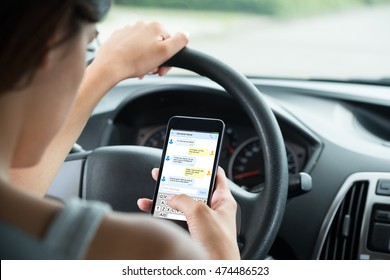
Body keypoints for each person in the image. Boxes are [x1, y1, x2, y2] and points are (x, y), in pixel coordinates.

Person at [0, 0, 240, 259]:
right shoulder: (156, 251)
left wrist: (107, 68)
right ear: (50, 47)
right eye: (87, 45)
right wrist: (221, 257)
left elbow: (16, 193)